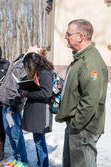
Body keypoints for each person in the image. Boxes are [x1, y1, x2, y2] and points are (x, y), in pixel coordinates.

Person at [55, 19, 108, 167]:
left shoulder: (91, 62)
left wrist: (76, 124)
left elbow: (91, 99)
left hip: (83, 129)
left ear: (80, 37)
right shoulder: (81, 58)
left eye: (68, 34)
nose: (65, 36)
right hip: (77, 127)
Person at [20, 52, 54, 167]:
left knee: (40, 141)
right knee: (37, 140)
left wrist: (27, 93)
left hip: (42, 111)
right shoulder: (38, 72)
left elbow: (46, 93)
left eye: (27, 67)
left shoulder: (45, 73)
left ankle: (44, 164)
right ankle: (41, 162)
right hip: (35, 110)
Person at [0, 54, 28, 167]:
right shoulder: (14, 62)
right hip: (5, 103)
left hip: (13, 106)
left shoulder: (25, 66)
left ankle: (23, 161)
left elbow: (23, 87)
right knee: (9, 133)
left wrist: (16, 104)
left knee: (16, 134)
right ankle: (16, 158)